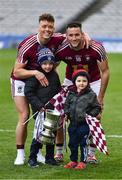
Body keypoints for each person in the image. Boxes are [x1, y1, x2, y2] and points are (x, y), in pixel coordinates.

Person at [10, 13, 90, 165]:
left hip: (43, 80)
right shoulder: (28, 44)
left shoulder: (57, 38)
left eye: (50, 27)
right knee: (25, 114)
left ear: (53, 28)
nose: (47, 29)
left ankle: (39, 153)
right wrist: (35, 72)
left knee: (42, 118)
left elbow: (73, 35)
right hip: (22, 79)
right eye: (44, 26)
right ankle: (20, 154)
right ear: (38, 27)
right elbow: (17, 71)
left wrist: (86, 35)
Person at [55, 22, 110, 163]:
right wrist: (57, 88)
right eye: (71, 35)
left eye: (77, 34)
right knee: (60, 116)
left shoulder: (96, 47)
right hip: (70, 81)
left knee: (96, 115)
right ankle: (59, 152)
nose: (74, 38)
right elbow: (51, 67)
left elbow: (105, 71)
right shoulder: (62, 49)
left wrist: (101, 97)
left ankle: (91, 154)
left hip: (93, 81)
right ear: (66, 36)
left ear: (82, 34)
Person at [24, 47, 61, 167]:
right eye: (45, 63)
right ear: (40, 63)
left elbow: (58, 91)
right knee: (39, 135)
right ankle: (32, 158)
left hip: (53, 110)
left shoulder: (54, 75)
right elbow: (29, 92)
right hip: (40, 111)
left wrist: (60, 104)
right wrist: (39, 105)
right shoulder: (35, 76)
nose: (48, 66)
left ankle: (49, 158)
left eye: (50, 63)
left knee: (51, 134)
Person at [63, 69, 101, 170]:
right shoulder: (71, 93)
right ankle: (73, 160)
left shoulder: (91, 94)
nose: (81, 83)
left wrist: (89, 115)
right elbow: (66, 105)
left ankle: (82, 161)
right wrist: (66, 113)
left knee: (83, 143)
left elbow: (97, 107)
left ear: (88, 82)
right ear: (75, 82)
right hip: (73, 124)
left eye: (84, 81)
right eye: (79, 81)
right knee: (72, 143)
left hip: (84, 124)